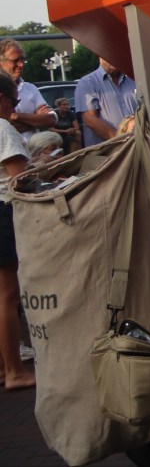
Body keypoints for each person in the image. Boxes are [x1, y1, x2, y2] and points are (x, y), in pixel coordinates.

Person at [0, 74, 33, 391]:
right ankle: (14, 371)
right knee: (8, 297)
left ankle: (4, 367)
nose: (15, 107)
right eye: (14, 100)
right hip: (4, 212)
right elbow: (19, 180)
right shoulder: (2, 127)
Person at [0, 40, 57, 145]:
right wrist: (35, 120)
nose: (21, 64)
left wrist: (17, 116)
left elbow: (51, 119)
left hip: (35, 151)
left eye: (22, 59)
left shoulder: (30, 88)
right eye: (15, 60)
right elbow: (4, 128)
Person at [74, 58, 138, 147]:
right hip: (107, 151)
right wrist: (121, 141)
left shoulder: (133, 80)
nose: (114, 58)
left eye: (116, 55)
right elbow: (90, 120)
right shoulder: (87, 82)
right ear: (100, 57)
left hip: (137, 145)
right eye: (110, 55)